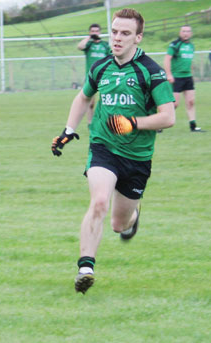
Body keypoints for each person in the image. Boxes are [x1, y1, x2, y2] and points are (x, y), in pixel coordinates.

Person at [51, 8, 175, 295]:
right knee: (99, 201)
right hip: (103, 148)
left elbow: (168, 117)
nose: (117, 38)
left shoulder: (151, 71)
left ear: (138, 37)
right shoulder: (101, 66)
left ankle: (133, 217)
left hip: (137, 158)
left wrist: (133, 123)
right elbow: (83, 98)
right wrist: (68, 131)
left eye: (125, 33)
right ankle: (85, 267)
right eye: (115, 32)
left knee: (119, 224)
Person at [164, 26, 203, 132]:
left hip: (188, 77)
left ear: (191, 33)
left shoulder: (191, 46)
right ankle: (159, 123)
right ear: (180, 32)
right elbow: (167, 59)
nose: (186, 33)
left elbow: (188, 62)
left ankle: (193, 126)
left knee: (191, 102)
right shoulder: (175, 45)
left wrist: (192, 72)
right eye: (184, 31)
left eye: (188, 31)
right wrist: (169, 74)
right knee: (174, 104)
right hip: (177, 78)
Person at [77, 24, 111, 124]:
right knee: (90, 103)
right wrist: (89, 38)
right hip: (91, 77)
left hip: (104, 77)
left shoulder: (105, 45)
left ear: (99, 32)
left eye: (96, 31)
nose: (95, 33)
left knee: (107, 101)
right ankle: (90, 123)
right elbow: (80, 46)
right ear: (90, 32)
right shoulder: (88, 45)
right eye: (92, 31)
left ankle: (106, 122)